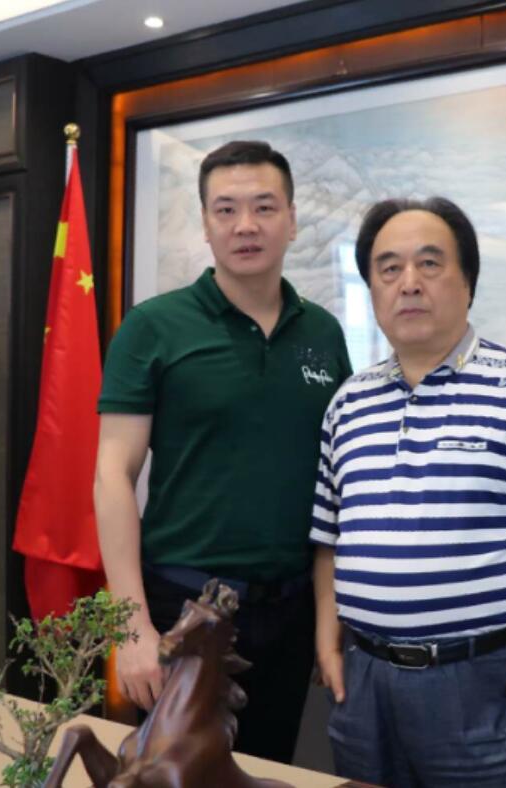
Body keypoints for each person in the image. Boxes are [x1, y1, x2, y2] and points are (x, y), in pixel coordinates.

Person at [311, 197, 506, 787]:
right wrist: (328, 646)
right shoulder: (347, 404)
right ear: (372, 290)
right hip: (365, 683)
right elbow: (330, 538)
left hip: (485, 687)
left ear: (468, 283)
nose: (408, 283)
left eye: (429, 264)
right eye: (388, 268)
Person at [95, 140, 352, 764]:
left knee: (267, 767)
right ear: (206, 225)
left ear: (292, 220)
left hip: (290, 611)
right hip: (185, 609)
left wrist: (327, 620)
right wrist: (132, 626)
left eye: (264, 207)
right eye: (226, 209)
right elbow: (112, 474)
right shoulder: (153, 327)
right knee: (175, 775)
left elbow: (336, 488)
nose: (246, 225)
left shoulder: (322, 332)